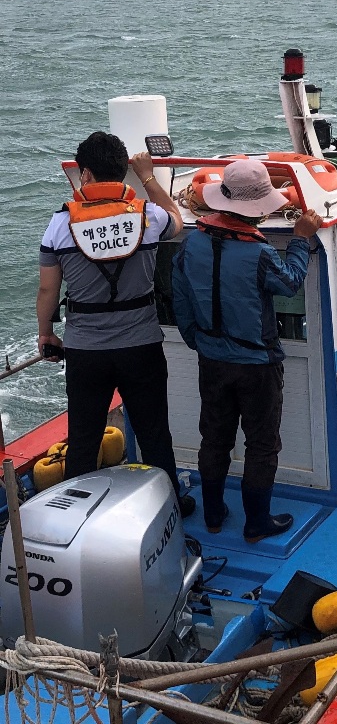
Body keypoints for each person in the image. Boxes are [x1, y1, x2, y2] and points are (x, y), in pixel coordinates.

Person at [36, 131, 195, 517]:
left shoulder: (60, 224)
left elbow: (47, 291)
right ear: (124, 172)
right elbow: (177, 220)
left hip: (85, 351)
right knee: (154, 433)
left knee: (83, 438)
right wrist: (150, 177)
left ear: (85, 173)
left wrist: (46, 333)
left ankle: (77, 519)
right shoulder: (147, 216)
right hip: (141, 347)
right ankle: (171, 506)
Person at [171, 159, 322, 543]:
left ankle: (213, 515)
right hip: (257, 364)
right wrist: (301, 238)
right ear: (257, 208)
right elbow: (289, 283)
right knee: (261, 443)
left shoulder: (191, 244)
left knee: (214, 438)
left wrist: (197, 340)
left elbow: (180, 301)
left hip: (212, 360)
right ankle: (257, 523)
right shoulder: (259, 253)